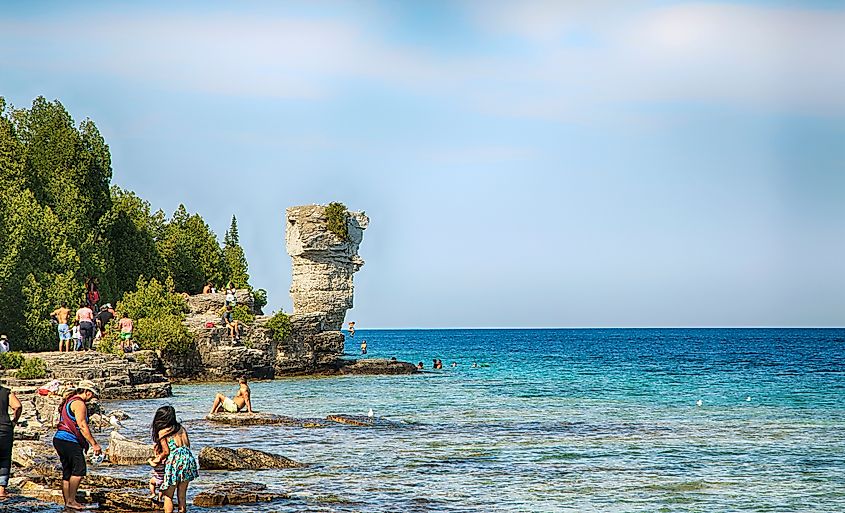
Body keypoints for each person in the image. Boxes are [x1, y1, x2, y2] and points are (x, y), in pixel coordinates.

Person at [53, 380, 102, 510]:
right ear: (87, 392)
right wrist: (94, 444)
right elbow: (82, 425)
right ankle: (71, 500)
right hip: (69, 440)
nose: (92, 398)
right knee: (79, 470)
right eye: (92, 395)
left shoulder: (69, 400)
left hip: (59, 439)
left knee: (67, 471)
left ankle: (67, 501)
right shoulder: (79, 404)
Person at [152, 406, 199, 513]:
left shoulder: (163, 431)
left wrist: (156, 460)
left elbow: (166, 452)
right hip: (188, 459)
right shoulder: (182, 428)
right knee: (182, 496)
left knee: (168, 495)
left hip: (175, 461)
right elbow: (188, 445)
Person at [0, 385, 22, 498]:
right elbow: (17, 406)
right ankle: (1, 490)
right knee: (4, 457)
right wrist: (14, 421)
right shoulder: (5, 391)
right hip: (4, 428)